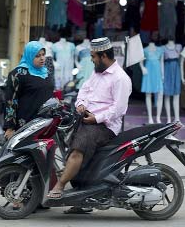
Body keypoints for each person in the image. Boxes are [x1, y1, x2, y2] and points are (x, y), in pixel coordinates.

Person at [47, 37, 132, 201]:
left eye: (93, 56)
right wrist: (80, 104)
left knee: (77, 150)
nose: (91, 60)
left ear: (104, 56)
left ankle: (60, 185)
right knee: (64, 142)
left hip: (104, 127)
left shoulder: (120, 78)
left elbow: (119, 109)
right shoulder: (97, 73)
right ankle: (82, 198)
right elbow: (84, 90)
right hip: (86, 119)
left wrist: (97, 118)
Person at [3, 41, 54, 139]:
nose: (42, 58)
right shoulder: (18, 74)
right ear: (29, 56)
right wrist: (9, 127)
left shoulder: (46, 73)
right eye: (37, 56)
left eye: (43, 55)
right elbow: (10, 101)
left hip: (46, 124)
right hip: (25, 125)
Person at [140, 42, 164, 124]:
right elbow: (140, 60)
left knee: (160, 95)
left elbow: (162, 62)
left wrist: (163, 74)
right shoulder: (145, 50)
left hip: (158, 73)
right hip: (148, 72)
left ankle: (158, 117)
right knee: (148, 94)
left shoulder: (160, 50)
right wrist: (142, 67)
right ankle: (150, 117)